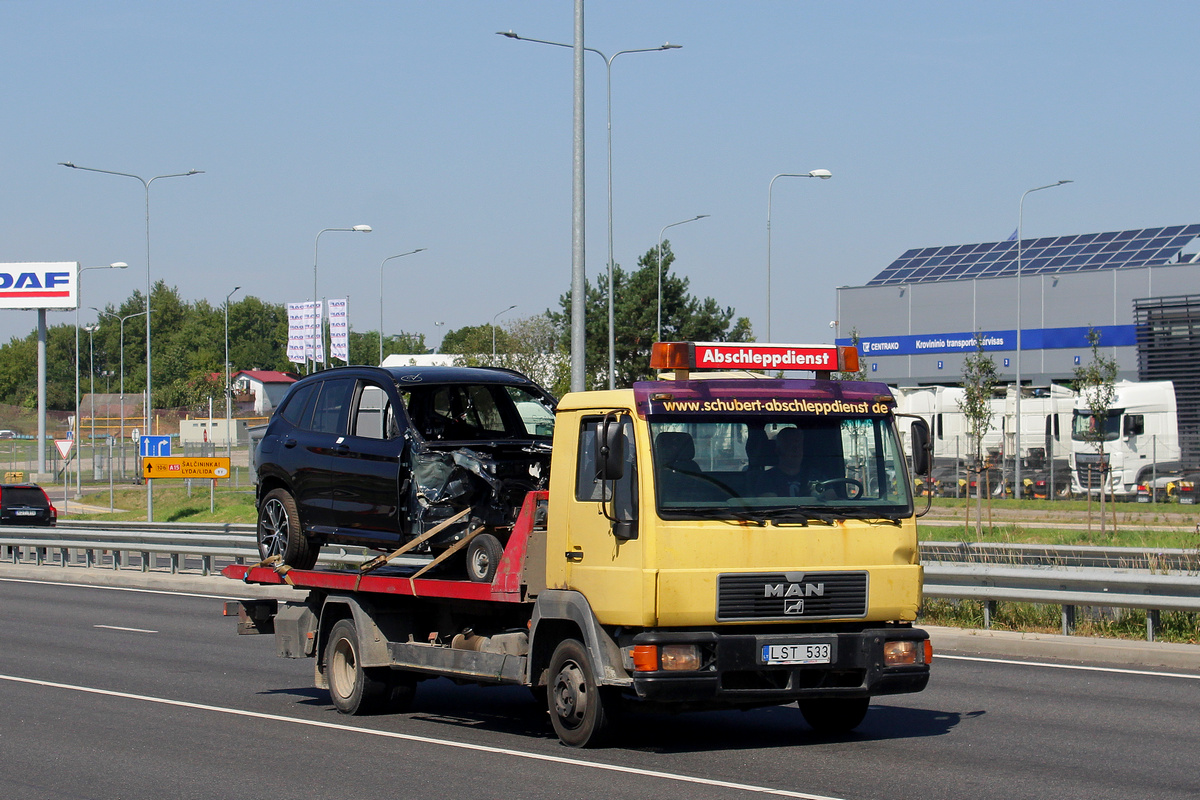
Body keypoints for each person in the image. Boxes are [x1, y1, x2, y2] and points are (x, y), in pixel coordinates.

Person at [758, 427, 815, 497]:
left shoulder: (814, 475)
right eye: (791, 446)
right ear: (779, 450)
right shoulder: (767, 478)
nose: (796, 451)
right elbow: (770, 506)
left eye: (799, 446)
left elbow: (830, 498)